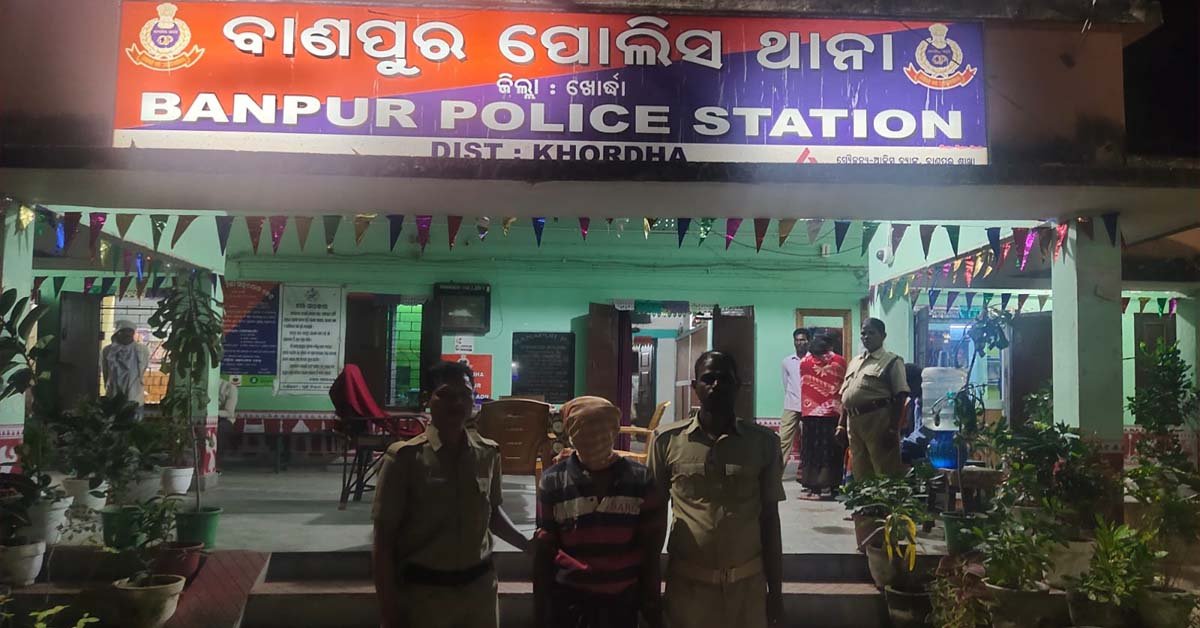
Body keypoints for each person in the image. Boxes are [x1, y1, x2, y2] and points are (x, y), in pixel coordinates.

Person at [372, 361, 530, 628]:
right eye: (446, 394)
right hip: (425, 596)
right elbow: (383, 540)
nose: (457, 402)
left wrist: (528, 544)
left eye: (465, 394)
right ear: (427, 399)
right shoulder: (404, 459)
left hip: (479, 594)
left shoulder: (488, 453)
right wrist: (388, 611)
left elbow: (492, 513)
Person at [648, 351, 785, 628]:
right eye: (708, 379)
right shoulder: (666, 442)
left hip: (746, 591)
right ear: (694, 386)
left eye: (724, 379)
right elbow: (653, 519)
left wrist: (776, 593)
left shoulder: (763, 443)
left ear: (738, 385)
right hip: (688, 591)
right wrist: (649, 591)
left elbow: (770, 519)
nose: (716, 385)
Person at [534, 396, 665, 628]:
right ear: (570, 434)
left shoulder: (640, 480)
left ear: (614, 431)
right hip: (570, 600)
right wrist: (541, 611)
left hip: (622, 601)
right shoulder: (553, 482)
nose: (594, 439)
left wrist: (651, 602)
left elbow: (650, 545)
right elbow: (545, 547)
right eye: (584, 431)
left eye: (601, 430)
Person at [837, 319, 910, 481]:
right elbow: (846, 394)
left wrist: (893, 429)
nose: (866, 337)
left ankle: (886, 498)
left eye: (872, 333)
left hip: (877, 421)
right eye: (863, 333)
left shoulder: (892, 361)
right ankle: (864, 498)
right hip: (854, 422)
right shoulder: (855, 362)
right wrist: (841, 425)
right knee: (860, 469)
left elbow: (900, 396)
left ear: (883, 336)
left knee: (884, 470)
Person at [797, 334, 848, 498]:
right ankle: (833, 487)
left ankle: (814, 488)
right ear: (830, 345)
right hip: (833, 413)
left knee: (812, 450)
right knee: (832, 450)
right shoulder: (840, 361)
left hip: (810, 412)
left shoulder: (804, 362)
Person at [101, 319, 150, 417]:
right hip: (113, 393)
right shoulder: (107, 351)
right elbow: (105, 371)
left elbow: (143, 368)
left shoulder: (142, 350)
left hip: (134, 394)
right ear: (117, 333)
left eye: (130, 331)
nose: (127, 334)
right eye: (123, 331)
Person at [778, 328, 809, 479]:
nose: (799, 343)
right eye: (797, 340)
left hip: (810, 407)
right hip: (791, 405)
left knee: (809, 441)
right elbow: (786, 383)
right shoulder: (787, 362)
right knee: (783, 440)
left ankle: (806, 474)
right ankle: (775, 474)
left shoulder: (812, 360)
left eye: (802, 340)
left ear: (808, 341)